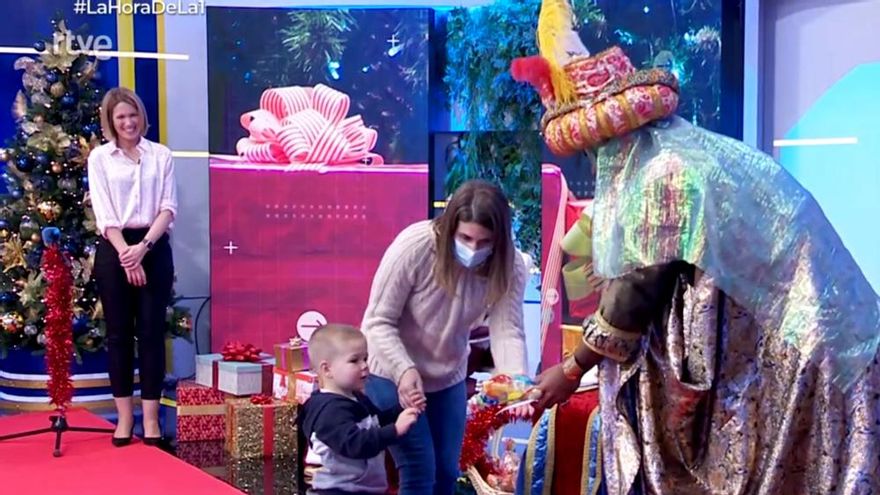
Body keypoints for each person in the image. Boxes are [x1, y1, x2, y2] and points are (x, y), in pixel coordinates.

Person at [515, 2, 880, 493]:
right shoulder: (688, 151)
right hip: (821, 338)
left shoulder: (661, 173)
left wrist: (571, 367)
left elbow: (635, 289)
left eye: (594, 152)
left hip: (810, 348)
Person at [362, 179, 531, 494]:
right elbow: (377, 321)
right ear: (450, 226)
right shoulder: (415, 246)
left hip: (447, 376)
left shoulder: (511, 265)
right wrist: (404, 370)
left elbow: (508, 329)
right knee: (419, 469)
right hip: (388, 372)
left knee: (446, 471)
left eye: (484, 242)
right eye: (465, 238)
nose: (473, 249)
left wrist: (516, 382)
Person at [87, 87, 177, 447]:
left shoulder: (161, 155)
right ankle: (125, 418)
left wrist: (143, 249)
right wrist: (127, 254)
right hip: (115, 248)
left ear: (141, 116)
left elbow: (168, 208)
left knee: (152, 334)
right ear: (111, 122)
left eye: (133, 114)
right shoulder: (100, 158)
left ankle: (151, 420)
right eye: (121, 117)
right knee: (119, 336)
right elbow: (105, 213)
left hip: (152, 245)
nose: (128, 122)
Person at [299, 324, 421, 495]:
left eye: (365, 358)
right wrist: (395, 430)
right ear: (327, 369)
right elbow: (354, 444)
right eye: (354, 360)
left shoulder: (355, 397)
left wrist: (404, 408)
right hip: (335, 491)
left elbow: (376, 423)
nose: (364, 365)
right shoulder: (328, 411)